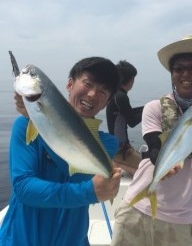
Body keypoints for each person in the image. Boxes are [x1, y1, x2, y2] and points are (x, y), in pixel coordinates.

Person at [110, 35, 192, 246]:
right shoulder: (154, 107)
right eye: (178, 68)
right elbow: (155, 148)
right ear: (172, 73)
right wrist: (161, 162)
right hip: (134, 211)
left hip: (180, 221)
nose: (186, 74)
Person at [0, 57, 122, 246]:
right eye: (87, 83)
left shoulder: (105, 144)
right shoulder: (24, 125)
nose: (92, 94)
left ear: (106, 103)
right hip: (19, 239)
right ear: (70, 84)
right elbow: (24, 188)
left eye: (102, 92)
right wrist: (90, 192)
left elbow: (74, 176)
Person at [106, 60, 144, 175]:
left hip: (120, 147)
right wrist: (148, 110)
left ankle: (119, 162)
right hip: (120, 150)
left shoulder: (116, 94)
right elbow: (132, 121)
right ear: (131, 79)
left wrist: (148, 107)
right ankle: (118, 163)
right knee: (147, 172)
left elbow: (128, 113)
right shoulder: (121, 96)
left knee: (145, 165)